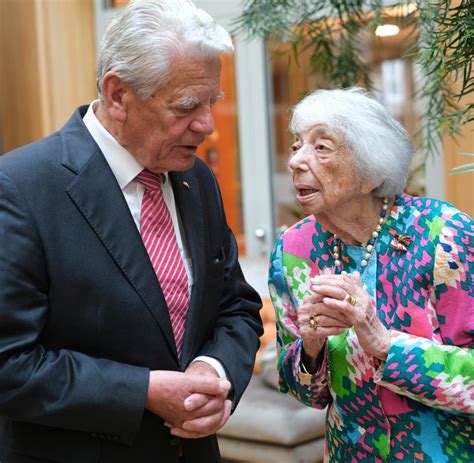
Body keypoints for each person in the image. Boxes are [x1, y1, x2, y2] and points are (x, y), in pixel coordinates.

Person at [0, 1, 263, 462]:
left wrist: (213, 369)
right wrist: (142, 390)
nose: (207, 125)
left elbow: (236, 307)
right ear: (118, 94)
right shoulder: (21, 188)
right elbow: (9, 363)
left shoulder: (196, 179)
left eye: (211, 102)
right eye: (186, 106)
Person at [269, 87, 473, 462]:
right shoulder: (294, 251)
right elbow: (302, 392)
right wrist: (310, 348)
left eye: (321, 147)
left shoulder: (443, 235)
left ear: (370, 172)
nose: (297, 160)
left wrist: (384, 343)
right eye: (297, 144)